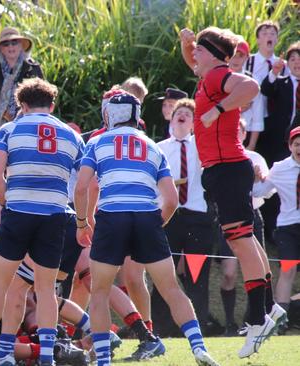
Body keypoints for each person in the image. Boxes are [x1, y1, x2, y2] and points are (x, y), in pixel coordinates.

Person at [74, 93, 218, 366]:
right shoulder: (154, 146)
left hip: (111, 217)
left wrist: (83, 223)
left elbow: (82, 188)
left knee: (101, 291)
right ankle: (199, 347)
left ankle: (103, 360)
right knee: (172, 288)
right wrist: (154, 225)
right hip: (147, 217)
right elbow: (172, 200)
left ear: (108, 114)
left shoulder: (96, 143)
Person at [0, 77, 84, 366]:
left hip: (18, 212)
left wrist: (5, 204)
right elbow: (85, 182)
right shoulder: (71, 135)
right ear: (52, 104)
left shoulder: (9, 129)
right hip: (55, 216)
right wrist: (84, 219)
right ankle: (47, 356)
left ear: (22, 105)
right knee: (46, 289)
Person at [180, 26, 285, 358]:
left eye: (198, 49)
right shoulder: (209, 75)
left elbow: (251, 86)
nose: (193, 54)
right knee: (247, 240)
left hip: (227, 169)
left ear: (212, 53)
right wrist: (187, 45)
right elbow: (196, 63)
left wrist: (218, 110)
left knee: (240, 241)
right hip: (224, 170)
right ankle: (269, 310)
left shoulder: (218, 76)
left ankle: (258, 319)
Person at [153, 99, 215, 336]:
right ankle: (160, 328)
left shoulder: (202, 146)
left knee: (197, 274)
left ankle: (197, 328)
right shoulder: (158, 148)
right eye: (178, 112)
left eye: (188, 114)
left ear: (193, 122)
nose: (182, 115)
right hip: (168, 217)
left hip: (197, 217)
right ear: (171, 117)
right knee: (163, 273)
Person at [219, 119, 271, 335]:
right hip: (229, 216)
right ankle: (229, 322)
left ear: (243, 133)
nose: (234, 134)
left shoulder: (255, 157)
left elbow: (266, 192)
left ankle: (254, 320)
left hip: (252, 215)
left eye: (238, 130)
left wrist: (260, 180)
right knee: (229, 273)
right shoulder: (222, 158)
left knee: (258, 268)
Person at [253, 126, 300, 330]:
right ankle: (281, 320)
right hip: (288, 227)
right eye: (297, 144)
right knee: (288, 270)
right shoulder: (280, 168)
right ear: (290, 146)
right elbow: (262, 191)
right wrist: (256, 178)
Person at [244, 21, 285, 161]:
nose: (269, 37)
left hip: (273, 120)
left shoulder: (283, 65)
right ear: (258, 39)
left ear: (277, 39)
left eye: (273, 34)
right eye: (265, 33)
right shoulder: (247, 61)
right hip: (249, 120)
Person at [260, 41, 300, 154]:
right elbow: (265, 90)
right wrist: (274, 72)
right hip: (280, 140)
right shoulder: (280, 82)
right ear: (287, 64)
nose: (297, 62)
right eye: (293, 59)